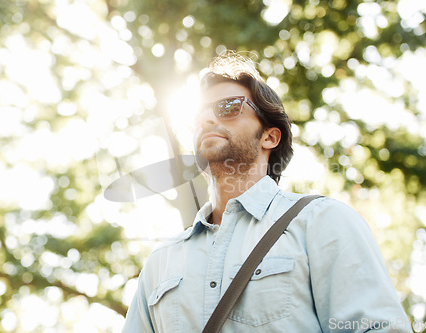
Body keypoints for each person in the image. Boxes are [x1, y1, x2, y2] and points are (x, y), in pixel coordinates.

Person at [122, 53, 411, 332]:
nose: (207, 119)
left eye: (228, 107)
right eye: (197, 115)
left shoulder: (322, 222)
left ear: (269, 136)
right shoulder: (160, 263)